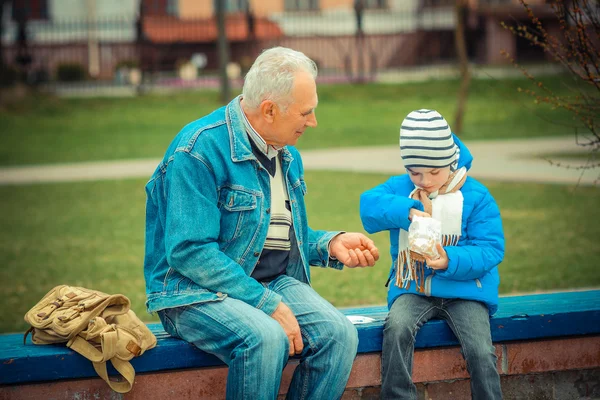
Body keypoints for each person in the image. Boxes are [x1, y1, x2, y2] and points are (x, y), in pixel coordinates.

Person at [143, 47, 380, 399]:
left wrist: (328, 243)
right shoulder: (197, 150)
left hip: (269, 282)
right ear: (269, 110)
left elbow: (270, 235)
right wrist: (267, 304)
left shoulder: (286, 153)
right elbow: (189, 252)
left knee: (339, 334)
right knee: (266, 339)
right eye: (306, 112)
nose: (313, 122)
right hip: (192, 293)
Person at [360, 109, 504, 399]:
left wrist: (450, 260)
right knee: (397, 329)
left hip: (466, 292)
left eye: (434, 172)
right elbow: (369, 207)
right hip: (413, 288)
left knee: (479, 349)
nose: (424, 180)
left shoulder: (476, 196)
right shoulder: (402, 188)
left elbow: (490, 248)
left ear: (451, 162)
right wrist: (407, 210)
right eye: (415, 172)